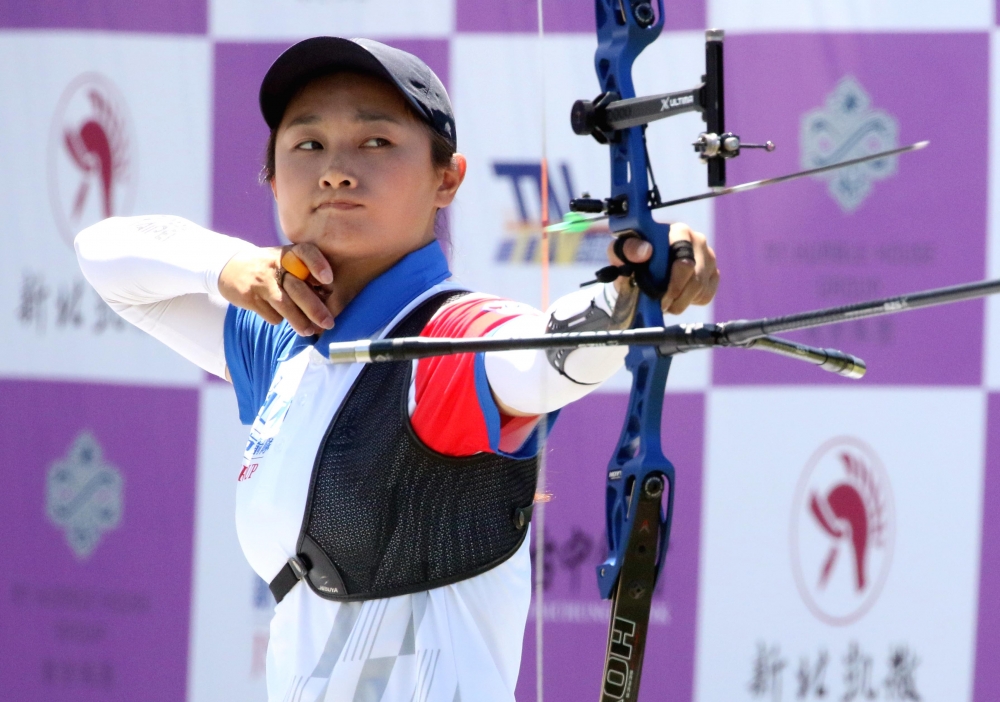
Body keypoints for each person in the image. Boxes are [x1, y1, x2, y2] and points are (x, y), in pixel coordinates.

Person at [75, 37, 718, 702]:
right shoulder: (284, 344)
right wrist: (231, 267)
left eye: (376, 142)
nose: (335, 171)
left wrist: (631, 292)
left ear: (448, 178)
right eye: (307, 145)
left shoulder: (446, 340)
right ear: (270, 175)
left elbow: (539, 358)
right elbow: (103, 257)